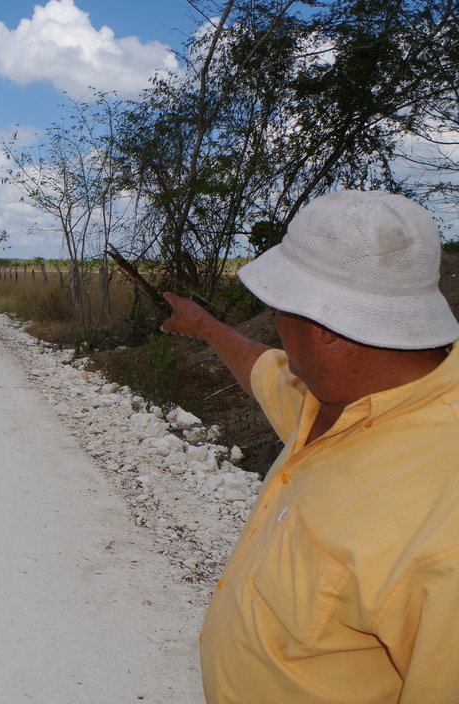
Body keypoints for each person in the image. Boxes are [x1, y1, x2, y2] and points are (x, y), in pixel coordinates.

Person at [160, 190, 459, 703]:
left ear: (327, 330)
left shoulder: (442, 525)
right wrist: (203, 326)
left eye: (278, 307)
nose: (272, 320)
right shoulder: (330, 398)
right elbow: (261, 368)